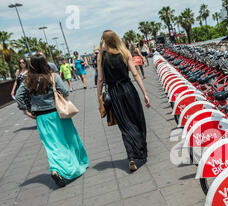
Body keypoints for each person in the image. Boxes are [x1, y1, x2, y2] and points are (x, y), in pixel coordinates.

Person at [15, 54, 89, 187]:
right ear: (45, 63)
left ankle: (55, 170)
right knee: (69, 139)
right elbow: (65, 92)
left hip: (42, 118)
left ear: (31, 65)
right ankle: (77, 164)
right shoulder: (53, 76)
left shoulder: (28, 80)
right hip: (58, 114)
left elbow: (19, 96)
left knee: (52, 145)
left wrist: (26, 111)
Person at [97, 30, 150, 172]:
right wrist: (144, 93)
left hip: (114, 93)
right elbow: (135, 73)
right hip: (128, 89)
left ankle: (131, 157)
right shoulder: (124, 52)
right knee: (137, 119)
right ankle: (141, 149)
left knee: (125, 125)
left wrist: (99, 99)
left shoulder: (101, 56)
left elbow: (100, 79)